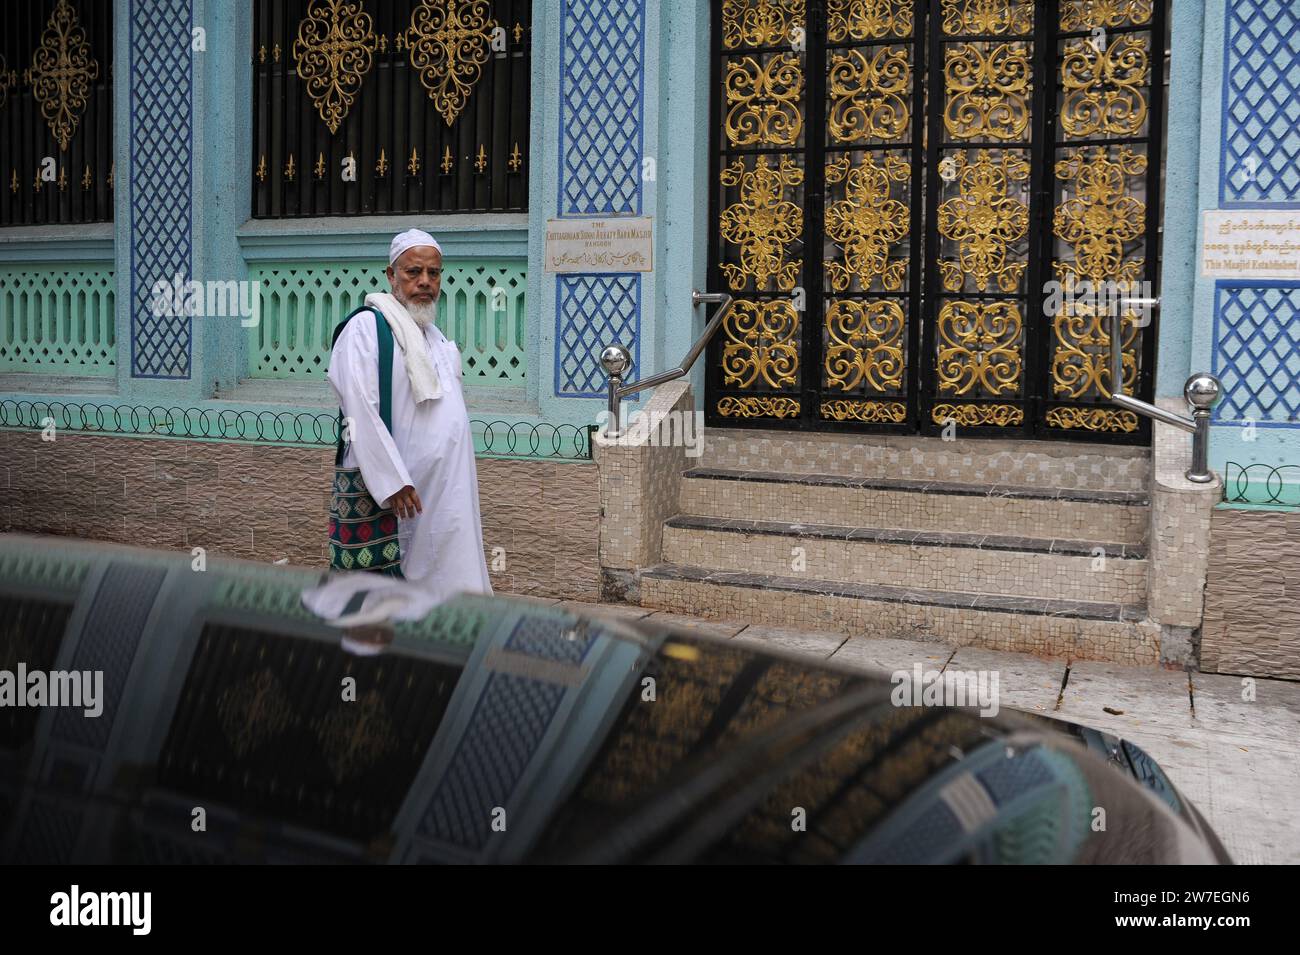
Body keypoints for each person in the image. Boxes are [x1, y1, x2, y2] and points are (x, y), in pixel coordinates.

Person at [325, 228, 492, 599]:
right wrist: (391, 479)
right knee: (398, 585)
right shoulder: (367, 328)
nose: (424, 282)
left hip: (449, 490)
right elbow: (359, 408)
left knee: (452, 576)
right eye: (413, 272)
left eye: (433, 273)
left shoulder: (436, 338)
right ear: (391, 275)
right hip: (404, 491)